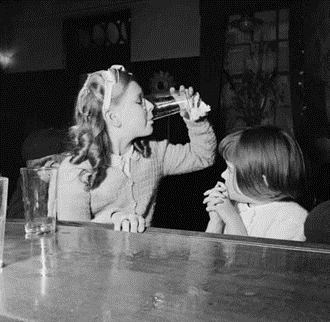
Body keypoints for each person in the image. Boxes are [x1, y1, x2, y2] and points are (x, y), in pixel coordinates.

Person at [57, 65, 216, 233]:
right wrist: (113, 219)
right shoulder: (75, 170)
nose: (151, 106)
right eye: (139, 100)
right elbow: (73, 239)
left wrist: (195, 118)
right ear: (113, 117)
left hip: (143, 256)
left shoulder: (153, 153)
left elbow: (203, 155)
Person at [203, 125, 308, 241]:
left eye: (230, 170)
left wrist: (231, 218)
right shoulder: (238, 205)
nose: (223, 174)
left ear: (263, 180)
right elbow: (204, 257)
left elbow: (245, 258)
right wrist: (216, 222)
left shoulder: (292, 219)